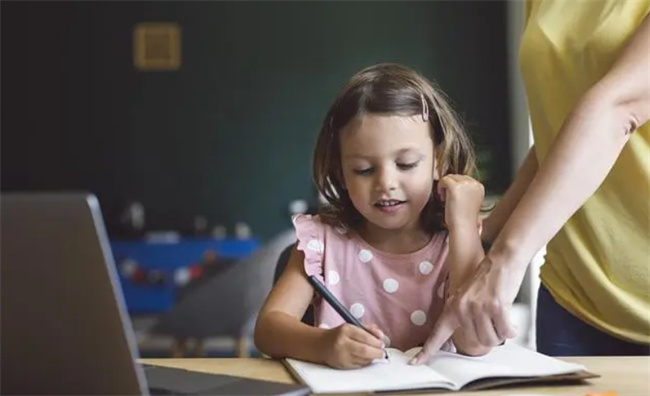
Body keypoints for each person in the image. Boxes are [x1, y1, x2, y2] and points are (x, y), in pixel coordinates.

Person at [412, 0, 650, 364]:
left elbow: (619, 108)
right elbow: (557, 130)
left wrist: (504, 260)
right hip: (574, 300)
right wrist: (486, 233)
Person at [254, 63, 496, 369]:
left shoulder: (457, 242)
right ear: (340, 172)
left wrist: (463, 225)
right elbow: (267, 330)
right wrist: (324, 344)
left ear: (439, 161)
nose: (385, 184)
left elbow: (473, 342)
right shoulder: (321, 242)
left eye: (406, 164)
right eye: (364, 170)